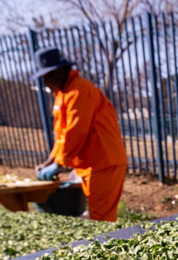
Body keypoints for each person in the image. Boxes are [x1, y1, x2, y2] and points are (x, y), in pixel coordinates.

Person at [31, 47, 128, 222]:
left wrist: (59, 164)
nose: (45, 82)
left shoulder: (80, 91)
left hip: (104, 162)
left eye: (46, 77)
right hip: (90, 163)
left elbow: (76, 131)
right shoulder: (63, 94)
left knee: (102, 220)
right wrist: (51, 160)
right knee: (96, 216)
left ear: (58, 72)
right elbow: (62, 134)